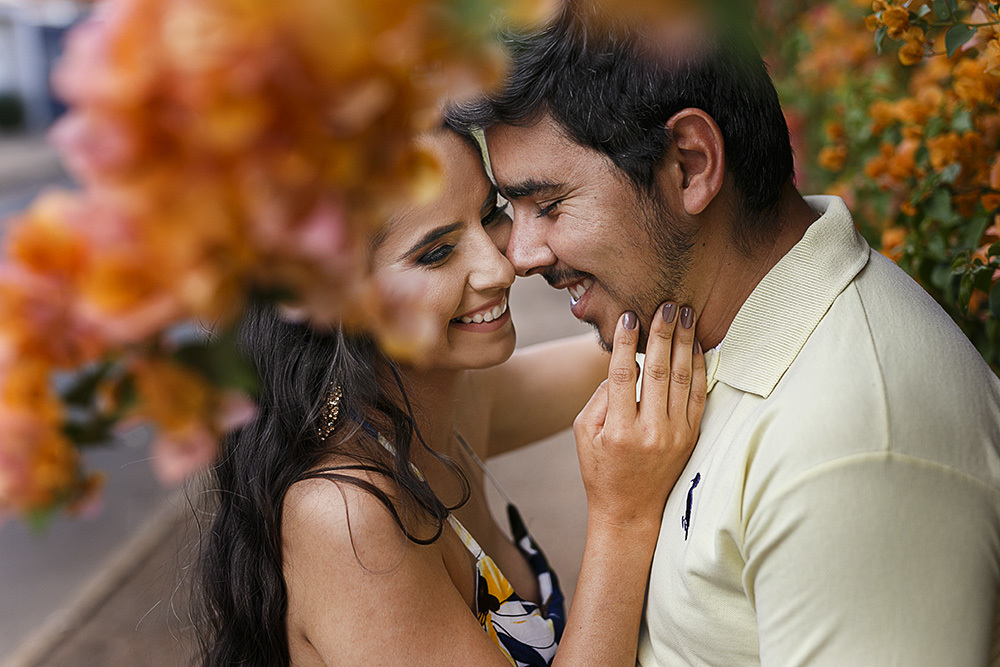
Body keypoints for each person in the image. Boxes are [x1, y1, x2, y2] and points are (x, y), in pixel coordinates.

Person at [453, 3, 1000, 665]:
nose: (522, 254)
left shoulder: (848, 449)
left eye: (549, 204)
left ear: (689, 163)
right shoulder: (705, 337)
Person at [194, 122, 707, 666]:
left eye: (489, 214)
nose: (500, 267)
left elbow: (622, 361)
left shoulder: (446, 404)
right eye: (437, 253)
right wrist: (622, 518)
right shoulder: (347, 517)